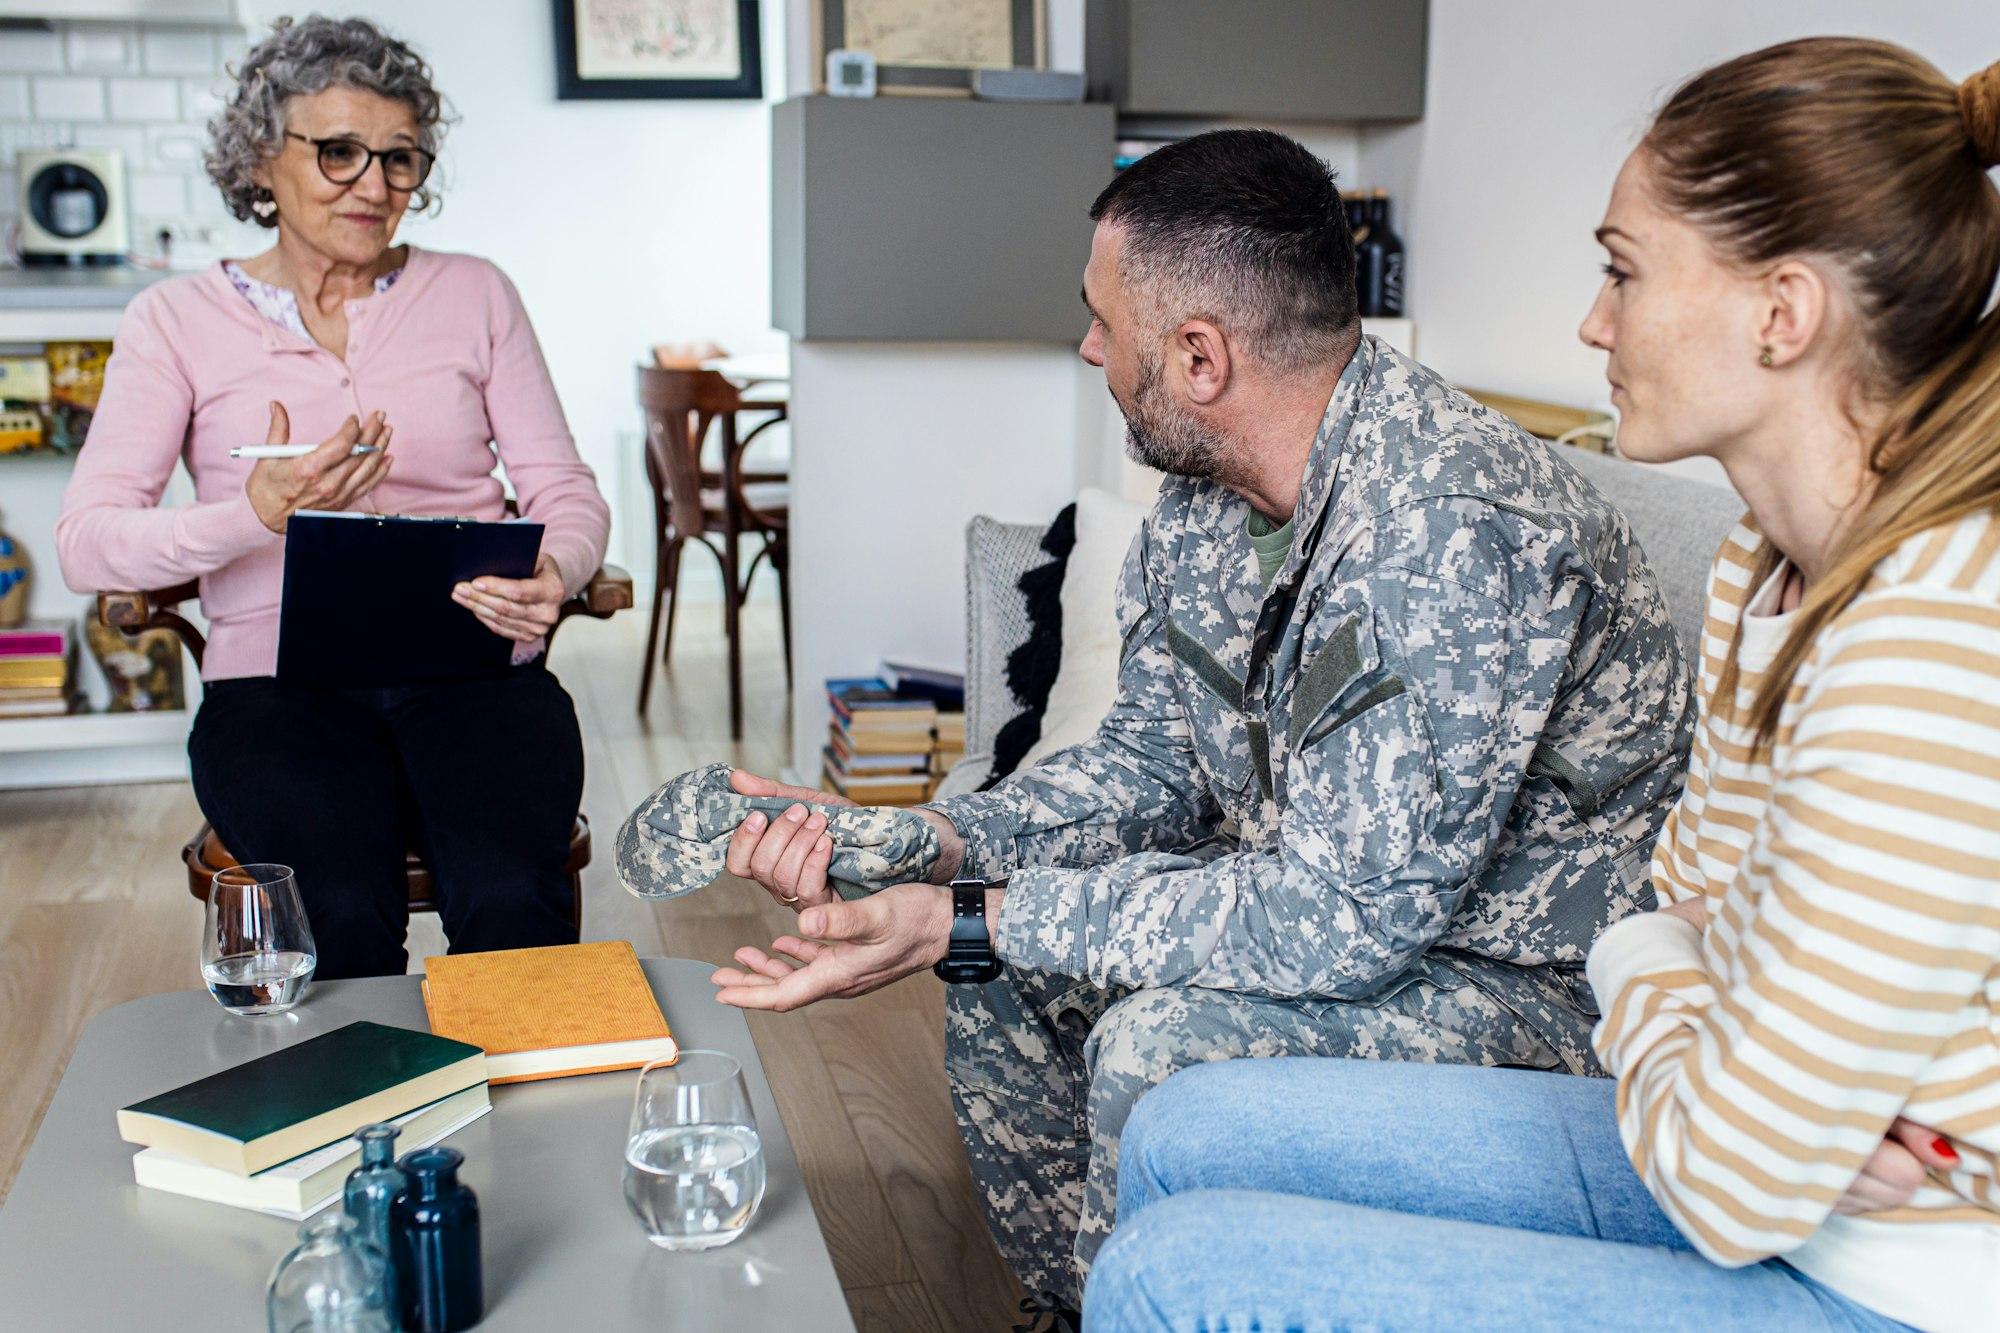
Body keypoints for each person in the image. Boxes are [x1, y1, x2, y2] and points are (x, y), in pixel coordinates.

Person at [1086, 38, 2000, 1333]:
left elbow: (1729, 1173)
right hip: (1768, 1163)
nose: (1593, 320)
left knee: (1164, 1276)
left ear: (1781, 314)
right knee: (1185, 1128)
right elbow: (1683, 899)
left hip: (1913, 1277)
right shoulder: (1763, 566)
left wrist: (1686, 1009)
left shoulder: (1929, 632)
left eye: (1624, 271)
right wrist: (1711, 1020)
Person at [706, 128, 1696, 1312]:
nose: (1087, 347)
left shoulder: (1446, 531)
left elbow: (1341, 922)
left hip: (1531, 985)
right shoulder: (1203, 501)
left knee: (1152, 1037)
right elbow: (1147, 765)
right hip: (1342, 913)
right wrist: (930, 846)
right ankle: (1081, 1303)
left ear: (1196, 356)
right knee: (994, 965)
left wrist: (967, 916)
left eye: (1100, 321)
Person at [57, 16, 609, 979]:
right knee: (339, 916)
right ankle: (366, 1122)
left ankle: (524, 1124)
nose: (376, 185)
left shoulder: (477, 294)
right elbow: (86, 542)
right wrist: (254, 515)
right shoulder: (175, 320)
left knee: (514, 901)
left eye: (401, 159)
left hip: (477, 670)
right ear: (263, 161)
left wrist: (556, 571)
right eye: (340, 152)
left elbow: (564, 488)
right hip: (273, 691)